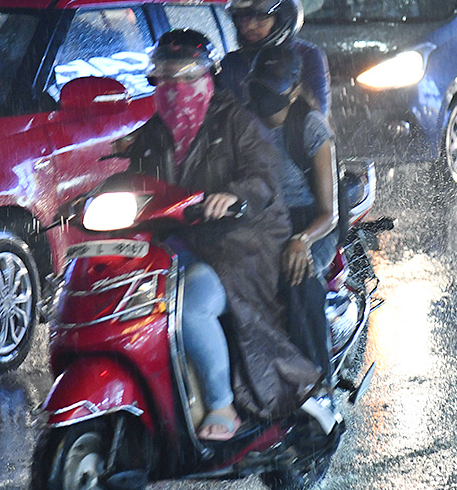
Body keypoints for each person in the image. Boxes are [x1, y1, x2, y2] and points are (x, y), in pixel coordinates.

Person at [122, 29, 320, 441]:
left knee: (191, 303)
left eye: (185, 78)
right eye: (165, 79)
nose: (175, 90)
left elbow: (263, 178)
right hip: (181, 243)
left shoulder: (237, 123)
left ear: (208, 79)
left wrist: (233, 196)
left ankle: (220, 404)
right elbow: (133, 180)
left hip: (243, 243)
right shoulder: (154, 133)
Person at [244, 44, 338, 381]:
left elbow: (330, 214)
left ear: (294, 91)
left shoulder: (310, 127)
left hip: (308, 222)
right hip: (262, 221)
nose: (264, 97)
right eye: (260, 88)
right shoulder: (245, 123)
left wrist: (302, 240)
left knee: (298, 282)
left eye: (274, 90)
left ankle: (318, 383)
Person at [219, 0, 332, 117]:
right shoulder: (231, 64)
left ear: (282, 19)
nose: (249, 26)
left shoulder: (308, 56)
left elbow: (316, 118)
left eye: (260, 18)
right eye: (242, 18)